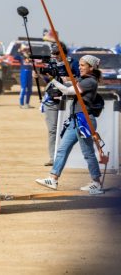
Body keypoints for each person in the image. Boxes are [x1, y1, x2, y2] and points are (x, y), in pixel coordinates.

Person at [35, 55, 105, 195]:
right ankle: (53, 179)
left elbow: (68, 91)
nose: (80, 67)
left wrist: (53, 80)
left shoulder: (90, 81)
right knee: (62, 149)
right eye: (79, 65)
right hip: (75, 120)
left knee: (88, 153)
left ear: (91, 67)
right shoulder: (82, 79)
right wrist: (51, 76)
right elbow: (66, 85)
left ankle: (96, 183)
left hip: (84, 120)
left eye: (83, 65)